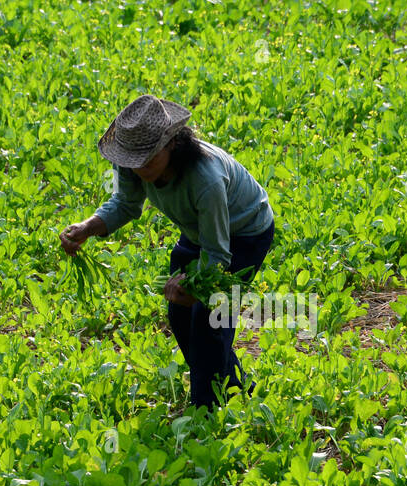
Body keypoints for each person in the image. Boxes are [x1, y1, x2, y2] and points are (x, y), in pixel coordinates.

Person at [60, 95, 275, 410]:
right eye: (134, 161)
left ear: (172, 144)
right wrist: (87, 227)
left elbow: (217, 254)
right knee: (179, 314)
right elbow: (126, 203)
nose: (139, 170)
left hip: (244, 233)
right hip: (197, 231)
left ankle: (207, 410)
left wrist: (197, 288)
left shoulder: (206, 179)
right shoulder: (133, 162)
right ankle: (231, 386)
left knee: (210, 318)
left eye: (148, 161)